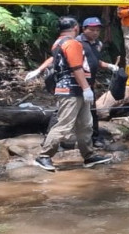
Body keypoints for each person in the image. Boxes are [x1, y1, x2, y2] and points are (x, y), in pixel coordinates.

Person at [25, 17, 122, 147]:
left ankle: (93, 140)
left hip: (88, 83)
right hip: (72, 84)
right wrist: (39, 70)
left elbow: (94, 60)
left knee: (91, 112)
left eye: (97, 30)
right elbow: (56, 58)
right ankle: (49, 143)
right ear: (82, 29)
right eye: (92, 30)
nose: (95, 33)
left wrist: (109, 66)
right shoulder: (75, 42)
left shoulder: (97, 44)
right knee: (62, 113)